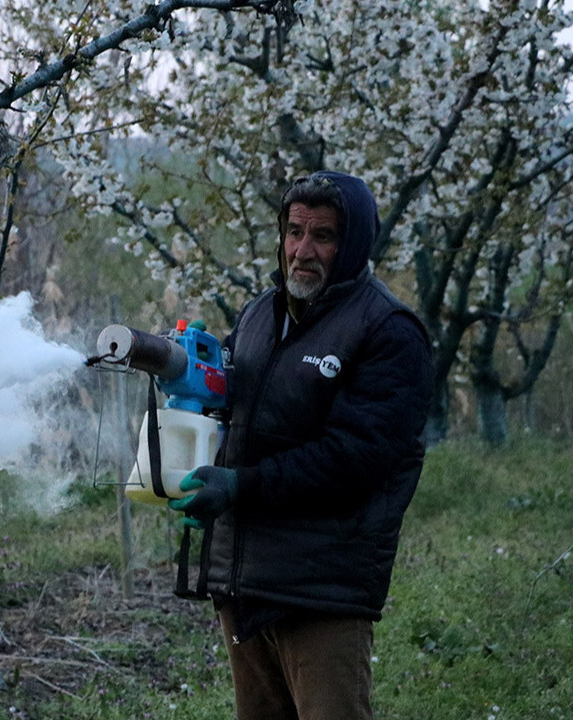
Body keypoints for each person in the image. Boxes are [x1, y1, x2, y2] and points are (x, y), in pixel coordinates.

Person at [168, 172, 433, 720]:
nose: (302, 251)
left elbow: (353, 460)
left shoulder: (389, 332)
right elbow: (233, 411)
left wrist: (240, 486)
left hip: (322, 594)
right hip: (244, 583)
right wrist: (191, 380)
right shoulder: (260, 314)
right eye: (293, 231)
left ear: (353, 243)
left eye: (323, 236)